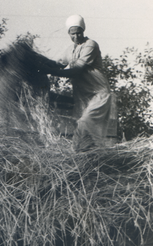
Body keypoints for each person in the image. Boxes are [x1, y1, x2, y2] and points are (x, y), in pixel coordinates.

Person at [43, 15, 118, 151]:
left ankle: (84, 156)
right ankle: (84, 157)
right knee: (83, 133)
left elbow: (76, 69)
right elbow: (58, 63)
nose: (76, 36)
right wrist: (39, 62)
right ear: (69, 33)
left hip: (98, 94)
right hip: (83, 97)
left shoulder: (90, 45)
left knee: (85, 124)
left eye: (79, 33)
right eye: (73, 34)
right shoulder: (69, 50)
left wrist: (49, 71)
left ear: (83, 31)